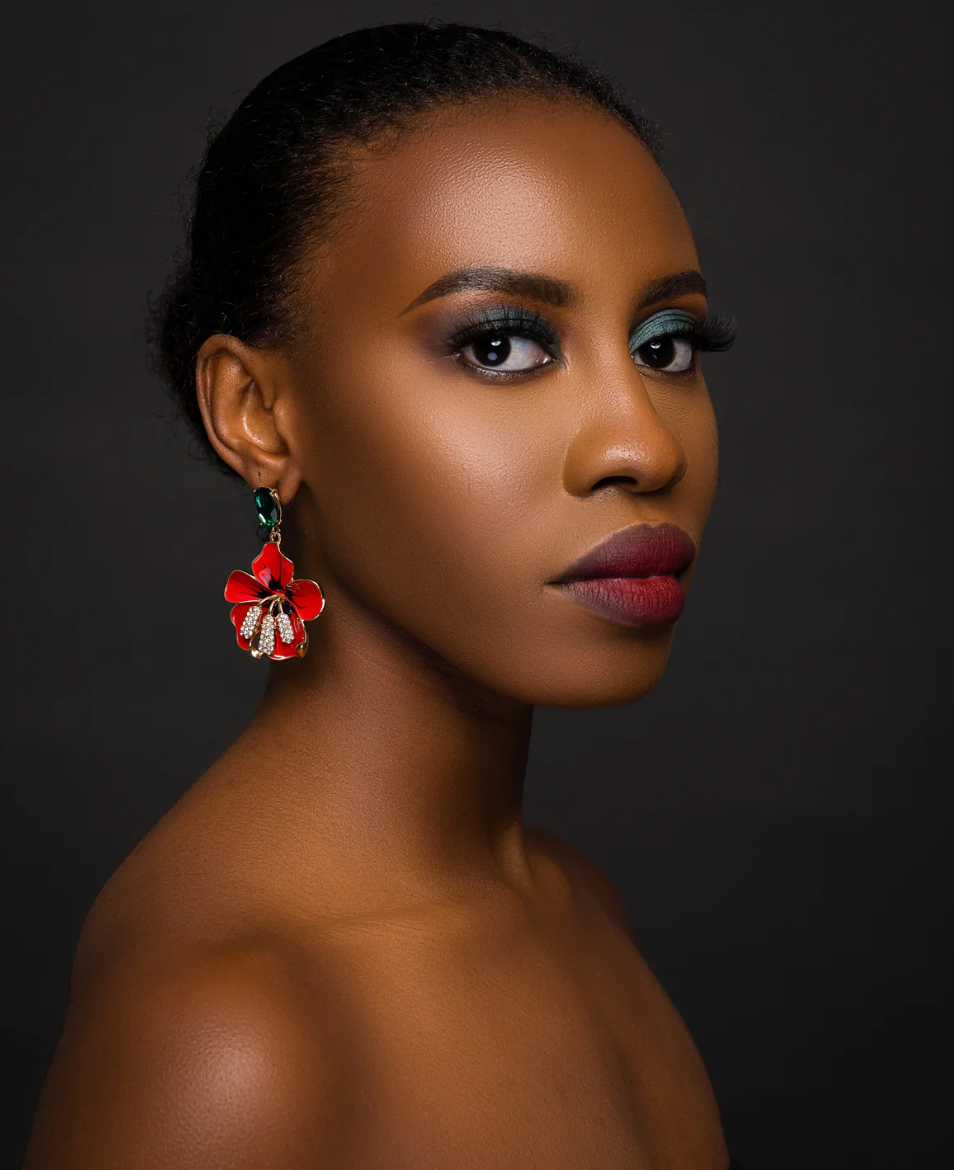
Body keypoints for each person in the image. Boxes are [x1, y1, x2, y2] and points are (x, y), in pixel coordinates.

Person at [24, 21, 739, 1169]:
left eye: (665, 343)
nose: (642, 444)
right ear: (258, 415)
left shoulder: (573, 902)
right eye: (503, 345)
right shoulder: (232, 1032)